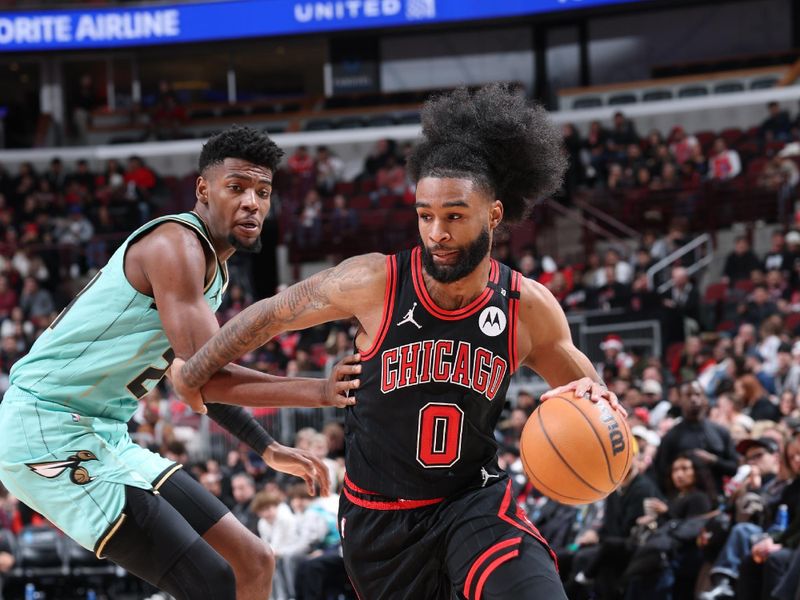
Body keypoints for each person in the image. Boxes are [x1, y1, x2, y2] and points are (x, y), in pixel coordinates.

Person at [173, 84, 625, 599]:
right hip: (378, 523)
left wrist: (602, 405)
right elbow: (270, 316)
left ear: (494, 216)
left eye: (454, 216)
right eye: (425, 215)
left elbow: (589, 394)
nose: (436, 232)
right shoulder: (375, 281)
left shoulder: (528, 306)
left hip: (472, 504)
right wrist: (195, 368)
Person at [0, 126, 361, 600]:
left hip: (105, 433)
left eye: (263, 191)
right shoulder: (176, 246)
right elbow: (208, 379)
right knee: (210, 582)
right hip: (44, 428)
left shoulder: (212, 269)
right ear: (203, 190)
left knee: (253, 561)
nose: (252, 202)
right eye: (237, 188)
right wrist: (319, 391)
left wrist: (266, 446)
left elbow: (188, 379)